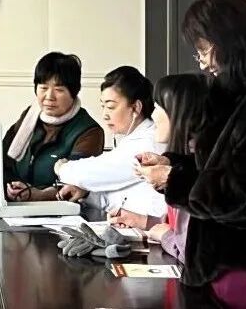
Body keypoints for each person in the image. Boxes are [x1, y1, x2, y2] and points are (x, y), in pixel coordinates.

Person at [136, 0, 246, 308]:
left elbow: (243, 193)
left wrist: (173, 179)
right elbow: (211, 168)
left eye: (204, 49)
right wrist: (171, 165)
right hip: (212, 267)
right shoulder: (226, 96)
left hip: (242, 268)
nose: (203, 61)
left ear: (229, 42)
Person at [109, 73, 208, 263]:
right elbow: (179, 226)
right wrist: (143, 221)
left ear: (181, 113)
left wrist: (165, 236)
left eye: (159, 107)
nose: (153, 115)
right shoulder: (187, 159)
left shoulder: (197, 170)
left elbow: (189, 250)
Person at [52, 66, 166, 219]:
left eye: (111, 107)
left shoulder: (146, 143)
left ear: (136, 107)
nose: (105, 115)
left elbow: (89, 173)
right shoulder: (132, 140)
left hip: (149, 229)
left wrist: (62, 168)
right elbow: (117, 197)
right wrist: (86, 194)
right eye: (103, 106)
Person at [3, 52, 104, 201]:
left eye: (59, 90)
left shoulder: (89, 131)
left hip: (62, 211)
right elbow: (2, 162)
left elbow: (77, 183)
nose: (49, 96)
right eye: (43, 88)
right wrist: (10, 187)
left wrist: (38, 195)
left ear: (73, 92)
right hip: (16, 207)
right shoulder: (29, 117)